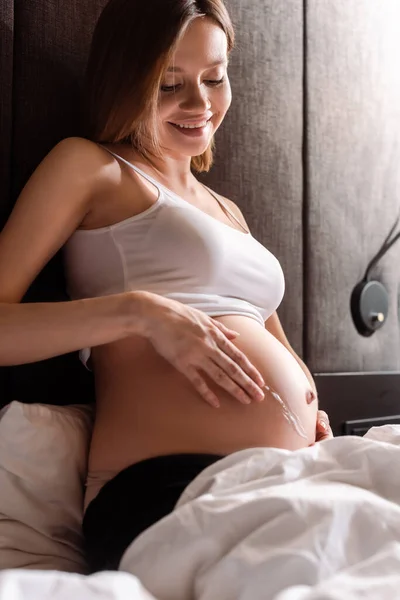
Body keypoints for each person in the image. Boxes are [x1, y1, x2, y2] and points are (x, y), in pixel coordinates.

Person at [0, 0, 333, 573]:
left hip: (281, 474)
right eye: (169, 84)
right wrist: (142, 313)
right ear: (126, 82)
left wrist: (308, 403)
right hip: (165, 488)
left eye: (214, 77)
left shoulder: (228, 209)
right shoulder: (91, 167)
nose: (199, 104)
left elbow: (269, 338)